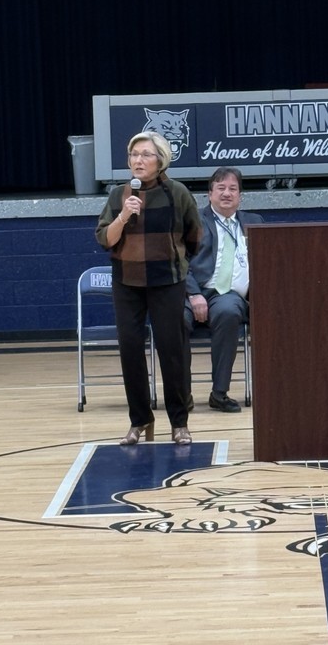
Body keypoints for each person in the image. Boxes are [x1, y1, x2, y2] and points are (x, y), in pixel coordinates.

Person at [96, 131, 202, 445]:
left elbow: (195, 237)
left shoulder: (178, 192)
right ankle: (140, 421)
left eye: (145, 154)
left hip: (167, 281)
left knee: (171, 350)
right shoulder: (119, 195)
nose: (138, 161)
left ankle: (179, 422)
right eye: (133, 155)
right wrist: (124, 215)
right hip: (127, 281)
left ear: (161, 160)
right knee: (130, 348)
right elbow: (105, 239)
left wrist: (177, 262)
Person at [184, 168, 264, 412]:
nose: (227, 194)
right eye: (221, 188)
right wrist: (194, 294)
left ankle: (219, 393)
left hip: (228, 296)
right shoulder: (194, 221)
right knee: (173, 318)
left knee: (229, 311)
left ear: (240, 196)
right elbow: (177, 261)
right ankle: (181, 393)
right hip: (192, 293)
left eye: (233, 189)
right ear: (209, 194)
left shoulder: (254, 222)